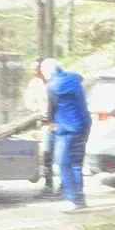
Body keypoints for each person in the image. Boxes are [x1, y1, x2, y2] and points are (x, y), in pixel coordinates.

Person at [41, 58, 91, 211]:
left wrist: (50, 123)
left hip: (67, 128)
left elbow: (51, 108)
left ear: (47, 72)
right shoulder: (74, 79)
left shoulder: (52, 85)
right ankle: (80, 200)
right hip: (83, 125)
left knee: (63, 163)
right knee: (76, 164)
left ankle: (73, 199)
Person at [25, 57, 57, 194]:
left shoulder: (56, 82)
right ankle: (49, 186)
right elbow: (29, 102)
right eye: (32, 69)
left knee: (62, 156)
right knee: (47, 155)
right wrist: (39, 111)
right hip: (45, 124)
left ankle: (65, 187)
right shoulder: (34, 84)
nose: (34, 72)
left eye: (36, 69)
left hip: (60, 123)